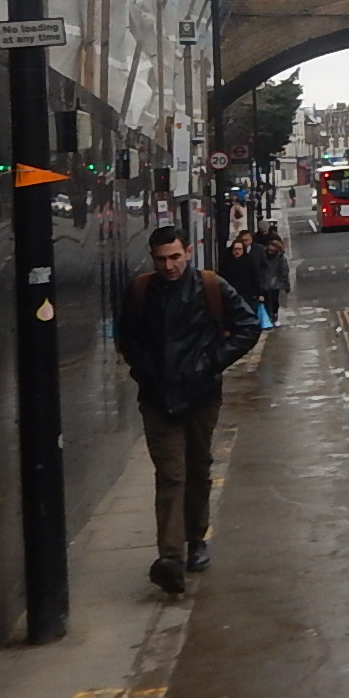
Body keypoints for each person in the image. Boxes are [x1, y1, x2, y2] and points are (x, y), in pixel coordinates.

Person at [117, 226, 261, 596]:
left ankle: (195, 539)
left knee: (197, 468)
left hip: (200, 396)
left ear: (189, 252)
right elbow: (126, 338)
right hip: (157, 398)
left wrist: (212, 363)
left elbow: (248, 325)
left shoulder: (211, 286)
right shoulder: (140, 291)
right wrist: (144, 369)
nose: (168, 266)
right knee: (171, 474)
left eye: (175, 257)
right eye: (161, 259)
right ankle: (170, 557)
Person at [252, 224, 291, 323]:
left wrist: (286, 284)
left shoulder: (279, 258)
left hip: (273, 283)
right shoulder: (264, 255)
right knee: (268, 300)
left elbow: (284, 271)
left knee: (273, 300)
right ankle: (271, 315)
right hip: (266, 282)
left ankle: (272, 315)